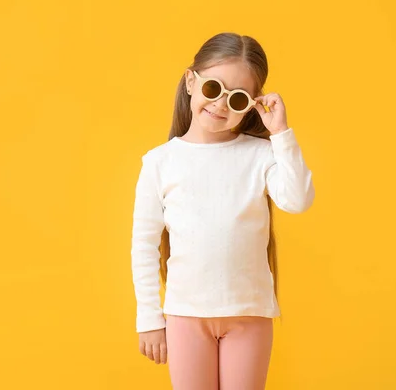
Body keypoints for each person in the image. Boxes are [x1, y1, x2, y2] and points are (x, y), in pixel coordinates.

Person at [130, 32, 315, 390]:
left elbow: (298, 199)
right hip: (186, 316)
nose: (221, 105)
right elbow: (144, 245)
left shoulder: (260, 154)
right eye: (213, 88)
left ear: (252, 104)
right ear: (190, 82)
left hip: (249, 314)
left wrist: (281, 133)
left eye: (238, 98)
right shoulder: (160, 162)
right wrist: (149, 317)